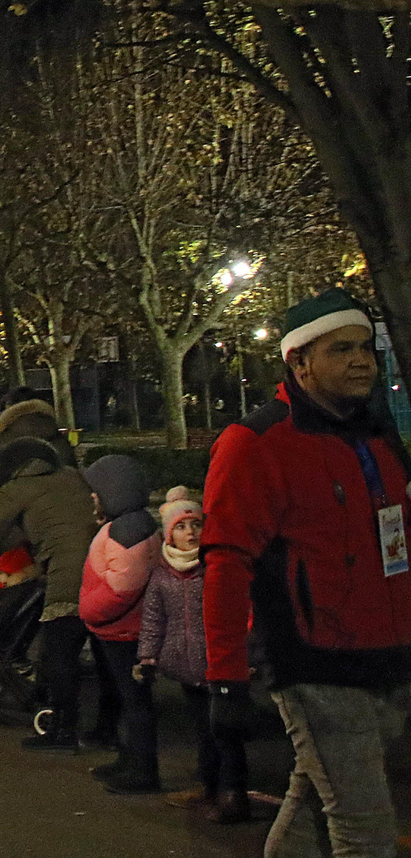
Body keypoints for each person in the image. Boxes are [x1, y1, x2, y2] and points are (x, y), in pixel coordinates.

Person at [204, 288, 411, 858]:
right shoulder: (255, 443)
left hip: (387, 656)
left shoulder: (377, 434)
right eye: (342, 349)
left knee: (315, 803)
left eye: (366, 347)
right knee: (365, 830)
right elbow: (225, 564)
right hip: (314, 664)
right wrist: (226, 679)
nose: (362, 360)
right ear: (299, 361)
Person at [0, 433, 97, 750]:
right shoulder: (70, 476)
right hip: (100, 570)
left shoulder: (18, 488)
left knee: (57, 656)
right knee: (103, 655)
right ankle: (106, 729)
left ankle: (64, 731)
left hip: (67, 577)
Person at [139, 489, 249, 824]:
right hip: (186, 667)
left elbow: (241, 610)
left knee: (226, 731)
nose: (190, 532)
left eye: (195, 524)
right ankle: (209, 787)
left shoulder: (215, 567)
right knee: (203, 731)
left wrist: (247, 653)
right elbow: (153, 619)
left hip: (219, 664)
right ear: (169, 534)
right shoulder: (162, 575)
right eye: (181, 526)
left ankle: (234, 793)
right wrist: (147, 656)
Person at [80, 454, 163, 792]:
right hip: (121, 629)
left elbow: (121, 590)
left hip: (124, 631)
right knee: (130, 700)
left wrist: (88, 610)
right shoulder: (132, 525)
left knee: (135, 701)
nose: (93, 498)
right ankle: (130, 759)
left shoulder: (127, 534)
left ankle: (143, 771)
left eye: (97, 491)